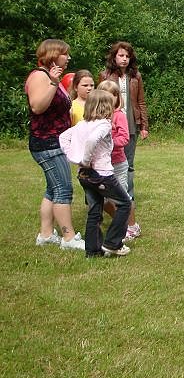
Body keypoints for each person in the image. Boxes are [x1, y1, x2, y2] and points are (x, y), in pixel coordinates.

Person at [24, 39, 84, 251]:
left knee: (52, 188)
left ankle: (46, 234)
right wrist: (53, 83)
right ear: (53, 54)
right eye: (65, 54)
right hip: (47, 142)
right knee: (63, 189)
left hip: (56, 140)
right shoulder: (40, 76)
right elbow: (37, 106)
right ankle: (68, 238)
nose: (68, 58)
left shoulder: (50, 77)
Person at [60, 90, 132, 257]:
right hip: (102, 174)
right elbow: (93, 140)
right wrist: (84, 158)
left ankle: (92, 251)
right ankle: (112, 243)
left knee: (95, 210)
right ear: (106, 106)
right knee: (124, 204)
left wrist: (73, 156)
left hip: (84, 175)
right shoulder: (104, 124)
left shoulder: (81, 125)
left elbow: (63, 137)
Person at [99, 41, 148, 241]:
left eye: (127, 56)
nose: (124, 59)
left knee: (128, 166)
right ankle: (109, 203)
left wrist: (144, 125)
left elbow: (141, 102)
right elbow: (98, 100)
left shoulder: (135, 77)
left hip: (131, 125)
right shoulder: (104, 76)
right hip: (110, 127)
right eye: (120, 55)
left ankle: (128, 203)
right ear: (114, 57)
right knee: (107, 166)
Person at [96, 80, 131, 228]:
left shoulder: (119, 116)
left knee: (122, 196)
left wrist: (108, 143)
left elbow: (124, 138)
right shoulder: (95, 116)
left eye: (114, 95)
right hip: (100, 165)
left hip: (118, 163)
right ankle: (120, 221)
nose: (111, 98)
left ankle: (129, 225)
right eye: (107, 95)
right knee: (102, 199)